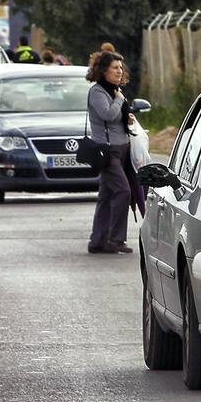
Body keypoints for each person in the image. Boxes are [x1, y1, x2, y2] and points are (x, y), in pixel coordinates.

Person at [86, 50, 138, 254]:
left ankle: (97, 240)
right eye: (115, 68)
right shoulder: (98, 92)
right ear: (103, 70)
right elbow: (107, 114)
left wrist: (128, 118)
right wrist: (118, 100)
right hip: (106, 151)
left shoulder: (115, 90)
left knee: (106, 195)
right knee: (123, 191)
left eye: (120, 68)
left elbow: (117, 116)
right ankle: (115, 239)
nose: (119, 71)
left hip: (121, 148)